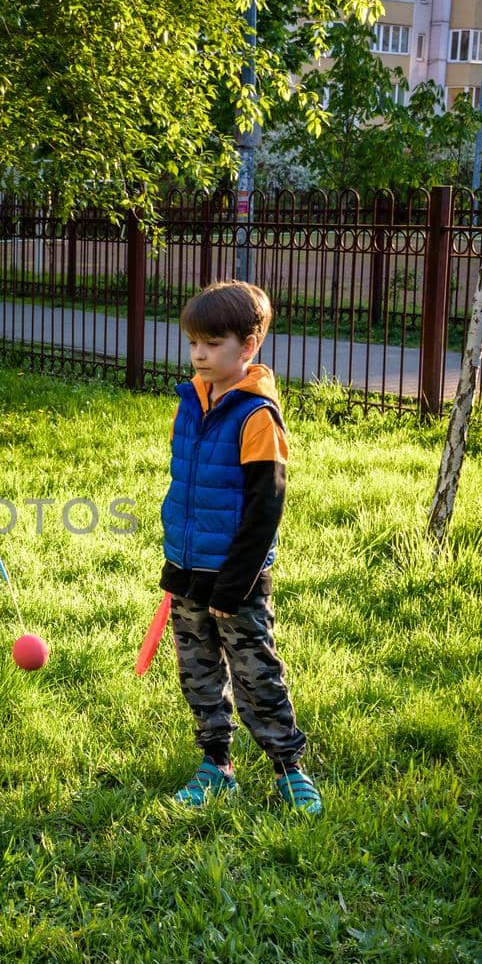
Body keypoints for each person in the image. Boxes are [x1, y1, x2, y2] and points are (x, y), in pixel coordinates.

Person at [158, 280, 320, 815]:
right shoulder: (193, 401)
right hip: (187, 566)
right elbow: (189, 488)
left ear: (248, 346)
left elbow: (263, 512)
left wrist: (233, 583)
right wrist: (175, 562)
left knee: (255, 672)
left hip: (236, 577)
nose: (199, 355)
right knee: (197, 671)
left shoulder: (256, 416)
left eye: (212, 344)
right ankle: (216, 765)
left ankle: (289, 768)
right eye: (193, 344)